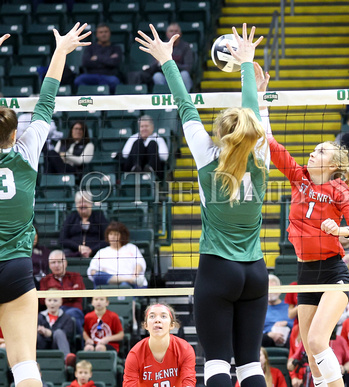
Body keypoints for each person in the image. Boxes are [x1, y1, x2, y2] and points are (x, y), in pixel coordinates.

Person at [136, 23, 270, 387]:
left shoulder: (206, 157)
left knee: (215, 366)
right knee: (250, 367)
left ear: (221, 132)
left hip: (217, 270)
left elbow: (184, 105)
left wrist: (167, 60)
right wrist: (248, 65)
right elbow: (252, 113)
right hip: (256, 272)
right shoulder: (262, 154)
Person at [268, 48, 349, 387]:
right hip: (304, 272)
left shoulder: (339, 190)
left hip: (333, 272)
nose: (314, 151)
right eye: (313, 149)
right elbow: (269, 142)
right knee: (311, 353)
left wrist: (342, 230)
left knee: (316, 341)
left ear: (333, 165)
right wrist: (259, 98)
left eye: (321, 150)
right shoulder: (299, 178)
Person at [0, 24, 90, 387]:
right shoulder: (28, 149)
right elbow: (47, 97)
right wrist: (61, 50)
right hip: (17, 268)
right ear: (14, 133)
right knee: (24, 365)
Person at [123, 303, 197, 387]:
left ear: (172, 325)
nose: (157, 320)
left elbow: (189, 382)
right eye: (152, 316)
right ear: (146, 325)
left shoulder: (184, 349)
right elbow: (129, 384)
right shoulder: (135, 354)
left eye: (163, 316)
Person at [87, 221, 147, 288]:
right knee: (98, 276)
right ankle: (128, 280)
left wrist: (134, 276)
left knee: (124, 286)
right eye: (111, 234)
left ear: (122, 236)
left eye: (116, 234)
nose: (113, 237)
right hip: (110, 285)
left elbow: (140, 264)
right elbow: (92, 271)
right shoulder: (102, 252)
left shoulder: (131, 248)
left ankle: (128, 282)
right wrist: (107, 276)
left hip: (132, 285)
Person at [39, 250, 85, 331]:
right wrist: (70, 292)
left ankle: (78, 343)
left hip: (72, 309)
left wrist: (54, 292)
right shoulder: (45, 280)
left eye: (60, 262)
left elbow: (78, 294)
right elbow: (42, 300)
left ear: (65, 263)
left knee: (69, 315)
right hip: (52, 310)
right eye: (53, 262)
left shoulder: (76, 276)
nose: (57, 265)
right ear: (49, 265)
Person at [145, 23, 195, 92]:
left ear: (180, 34)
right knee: (157, 76)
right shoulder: (161, 46)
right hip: (165, 75)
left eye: (176, 31)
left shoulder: (186, 46)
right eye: (171, 31)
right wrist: (158, 63)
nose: (174, 33)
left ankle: (186, 98)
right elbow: (153, 66)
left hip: (179, 75)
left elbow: (188, 67)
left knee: (185, 75)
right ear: (167, 34)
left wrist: (171, 63)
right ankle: (164, 98)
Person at [59, 191, 109, 258]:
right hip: (74, 252)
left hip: (96, 252)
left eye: (85, 201)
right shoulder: (71, 217)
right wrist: (79, 247)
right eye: (79, 202)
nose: (82, 204)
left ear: (91, 203)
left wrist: (91, 250)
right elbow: (62, 239)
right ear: (76, 205)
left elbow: (107, 239)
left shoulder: (99, 216)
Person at [74, 24, 122, 93]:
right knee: (78, 80)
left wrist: (97, 58)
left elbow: (115, 63)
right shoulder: (90, 48)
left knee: (114, 81)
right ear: (97, 35)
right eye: (101, 32)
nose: (103, 34)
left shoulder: (116, 48)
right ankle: (90, 94)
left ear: (109, 33)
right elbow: (86, 63)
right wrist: (107, 60)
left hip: (109, 76)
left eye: (106, 32)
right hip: (91, 76)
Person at [121, 115, 169, 180]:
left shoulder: (158, 139)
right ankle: (136, 167)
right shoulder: (133, 138)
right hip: (132, 167)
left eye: (146, 126)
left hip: (154, 169)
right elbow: (125, 154)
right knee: (138, 142)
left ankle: (149, 168)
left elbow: (164, 156)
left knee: (152, 144)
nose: (144, 129)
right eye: (142, 126)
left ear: (152, 127)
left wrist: (149, 151)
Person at [262, 274, 294, 348]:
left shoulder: (289, 306)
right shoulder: (259, 309)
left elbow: (297, 325)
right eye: (268, 289)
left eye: (274, 289)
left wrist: (287, 323)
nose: (271, 293)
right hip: (266, 339)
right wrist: (268, 334)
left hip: (288, 339)